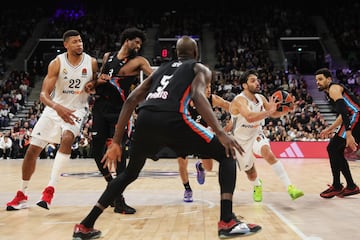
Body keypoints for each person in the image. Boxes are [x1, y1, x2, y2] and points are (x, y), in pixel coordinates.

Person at [72, 36, 262, 239]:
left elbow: (130, 100)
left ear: (176, 53)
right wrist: (222, 133)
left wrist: (116, 142)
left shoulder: (161, 69)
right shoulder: (200, 68)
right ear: (196, 54)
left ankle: (85, 225)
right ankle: (227, 221)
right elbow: (198, 97)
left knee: (128, 174)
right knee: (226, 154)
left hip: (145, 119)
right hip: (174, 117)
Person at [6, 29, 98, 211]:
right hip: (55, 108)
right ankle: (22, 193)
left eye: (80, 41)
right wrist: (58, 108)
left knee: (67, 139)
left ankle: (50, 190)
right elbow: (43, 95)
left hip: (77, 110)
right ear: (66, 45)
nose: (79, 44)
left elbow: (95, 85)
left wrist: (93, 85)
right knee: (32, 150)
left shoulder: (92, 62)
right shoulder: (57, 63)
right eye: (74, 42)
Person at [86, 27, 153, 214]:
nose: (138, 46)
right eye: (136, 42)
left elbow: (154, 77)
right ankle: (112, 188)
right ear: (127, 40)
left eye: (140, 43)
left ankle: (119, 199)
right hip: (100, 108)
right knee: (96, 151)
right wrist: (94, 83)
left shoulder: (139, 61)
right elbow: (98, 80)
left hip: (120, 111)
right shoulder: (108, 56)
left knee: (120, 155)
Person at [229, 69, 304, 202]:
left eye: (257, 80)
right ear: (244, 85)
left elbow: (273, 112)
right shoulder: (239, 100)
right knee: (250, 172)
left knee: (267, 153)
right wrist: (269, 112)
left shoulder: (260, 98)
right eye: (253, 81)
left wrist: (286, 110)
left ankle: (290, 188)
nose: (257, 83)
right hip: (240, 140)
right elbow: (250, 117)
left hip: (256, 133)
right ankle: (257, 185)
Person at [178, 82, 231, 202]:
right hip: (186, 135)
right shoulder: (185, 100)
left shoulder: (213, 99)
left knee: (209, 168)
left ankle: (200, 167)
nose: (208, 90)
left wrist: (230, 125)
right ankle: (187, 189)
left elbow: (232, 107)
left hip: (203, 136)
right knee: (182, 162)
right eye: (206, 87)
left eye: (210, 87)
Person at [315, 68, 360, 198]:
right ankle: (350, 186)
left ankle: (338, 186)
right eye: (316, 80)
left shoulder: (334, 89)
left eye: (320, 79)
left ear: (329, 79)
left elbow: (347, 113)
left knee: (332, 148)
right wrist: (330, 129)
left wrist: (349, 134)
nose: (318, 82)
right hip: (354, 117)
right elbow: (344, 112)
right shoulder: (332, 91)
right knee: (335, 150)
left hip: (356, 118)